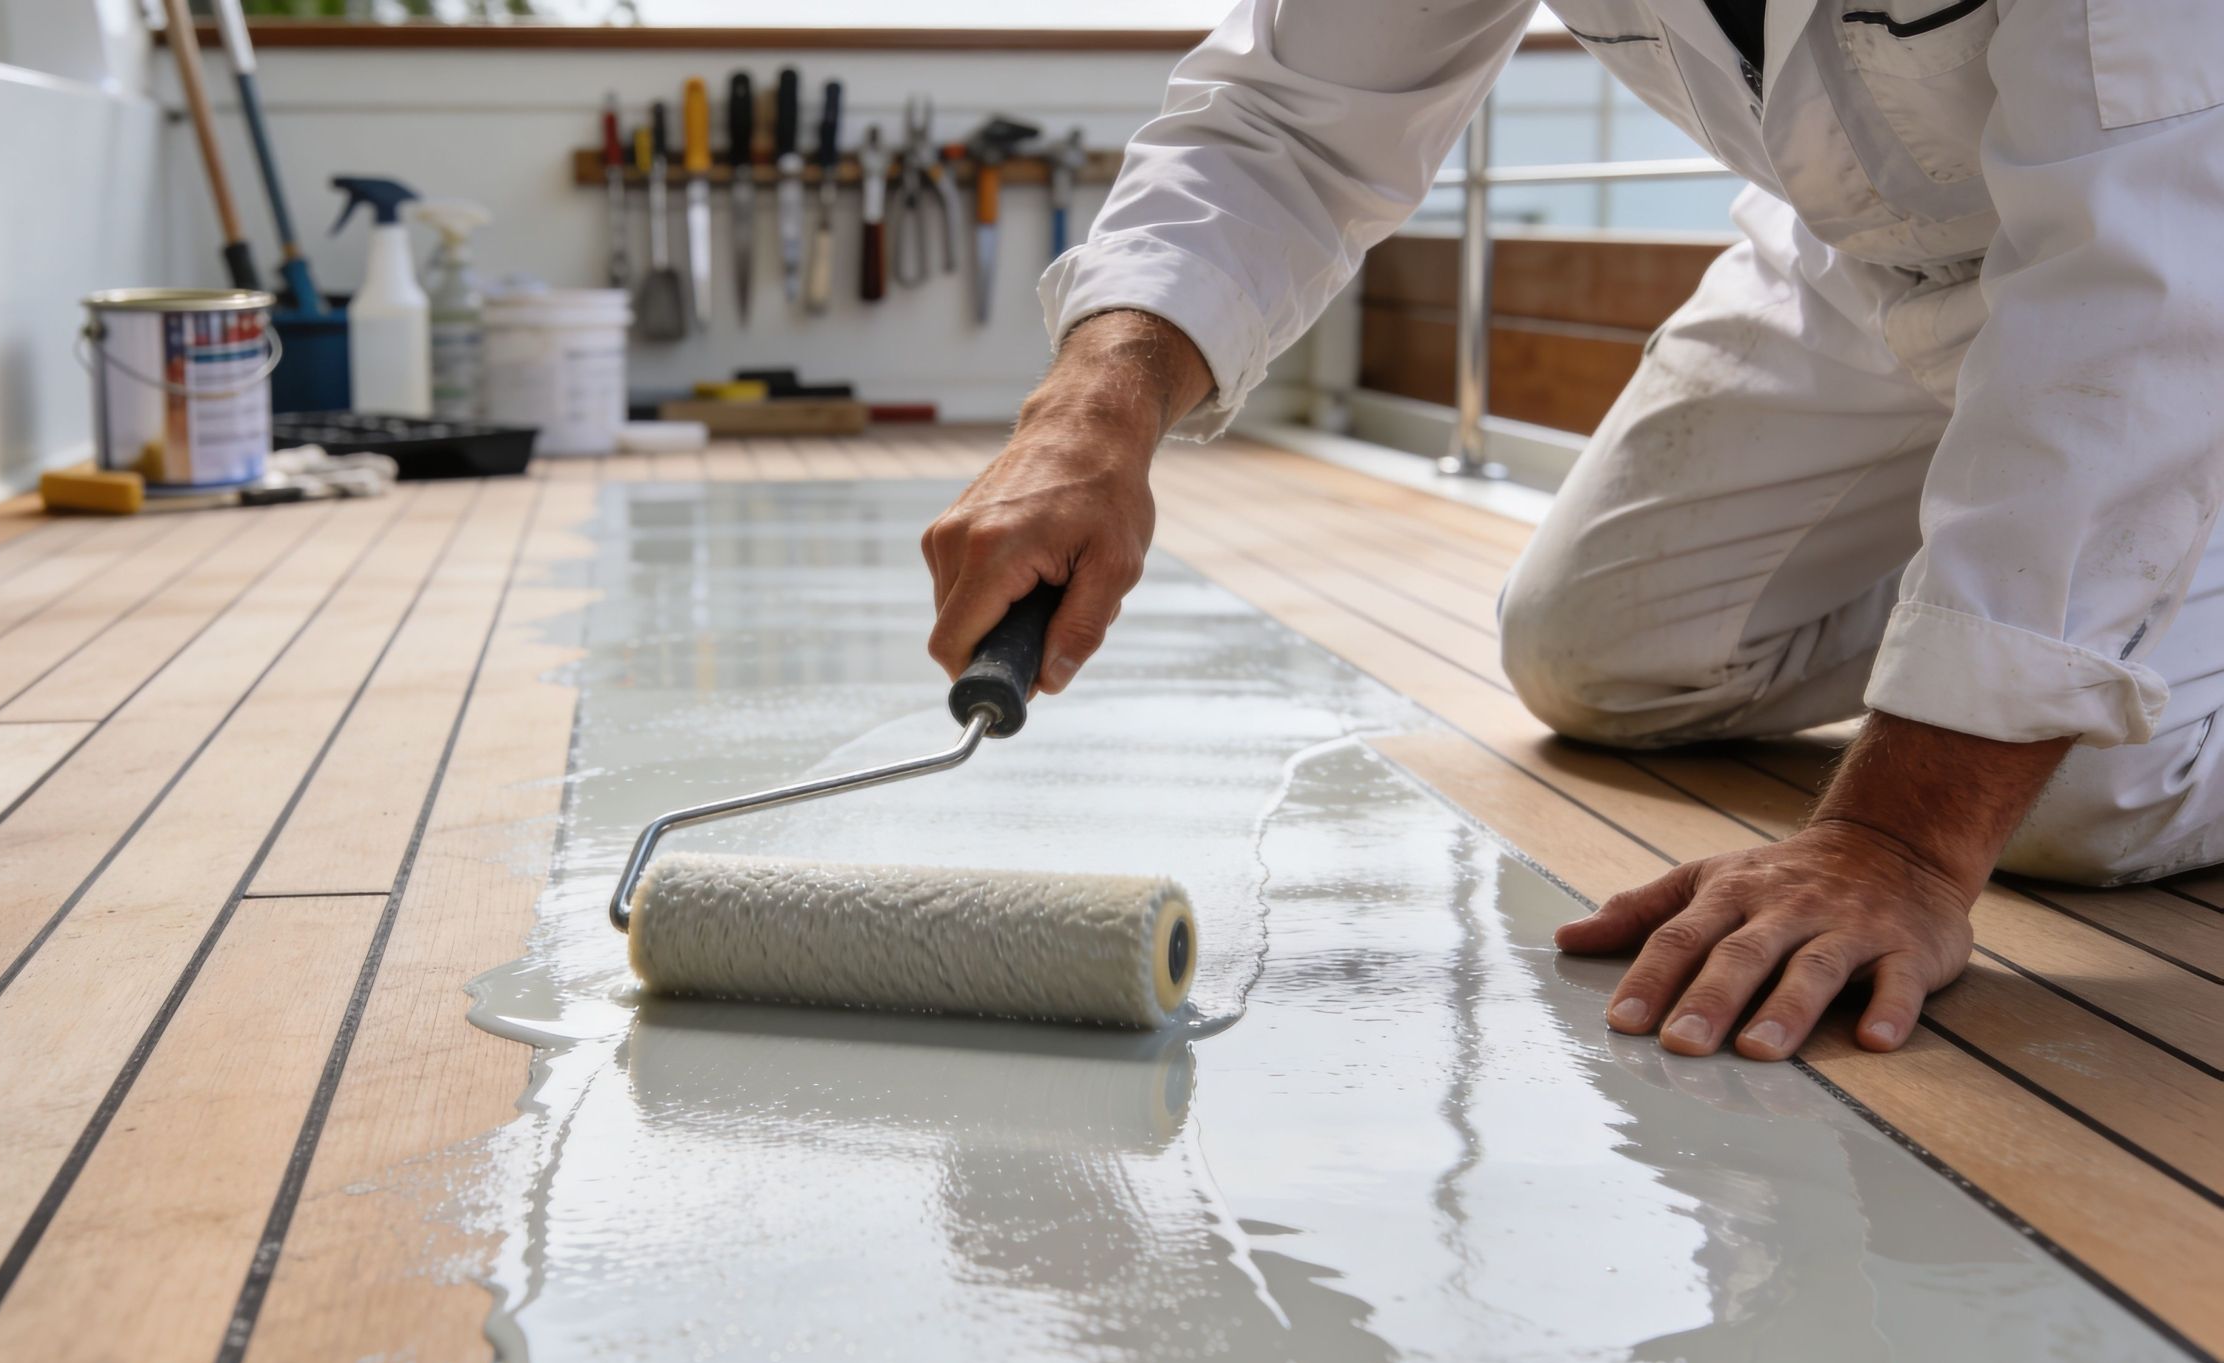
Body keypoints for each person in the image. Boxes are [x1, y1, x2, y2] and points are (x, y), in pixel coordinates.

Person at [920, 1, 2223, 1061]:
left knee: (2077, 796)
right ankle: (2049, 600)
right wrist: (1096, 403)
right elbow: (1287, 124)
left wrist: (1906, 837)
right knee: (1597, 652)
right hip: (1862, 262)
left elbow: (2143, 283)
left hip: (2161, 255)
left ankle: (2124, 592)